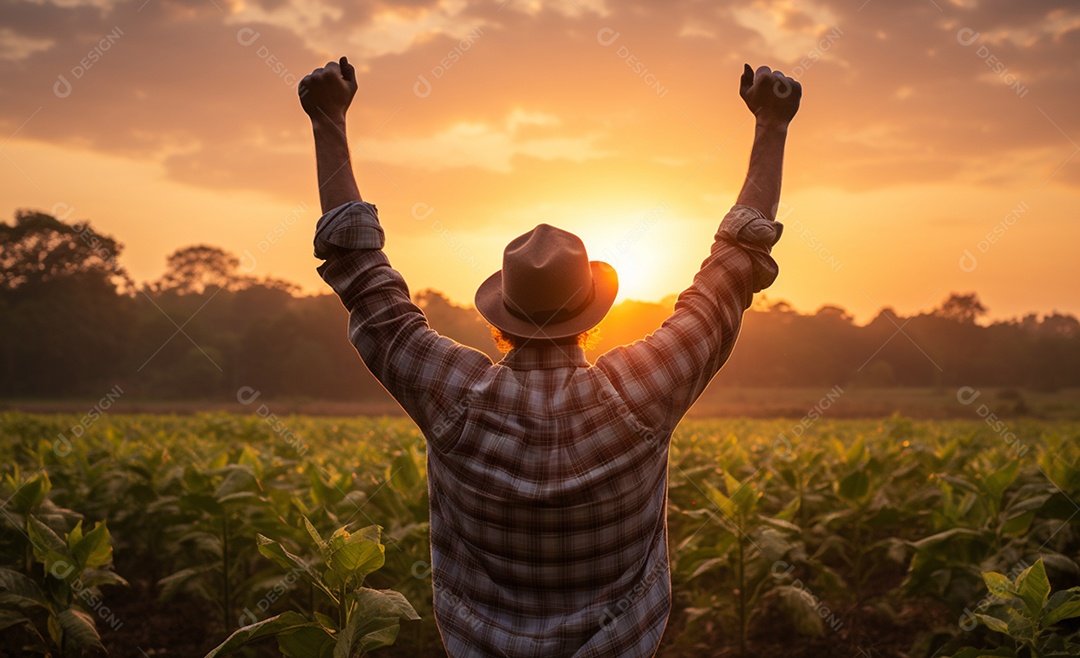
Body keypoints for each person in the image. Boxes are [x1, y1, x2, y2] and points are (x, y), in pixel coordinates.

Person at [299, 56, 800, 658]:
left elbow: (363, 276)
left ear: (501, 320)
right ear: (590, 316)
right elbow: (731, 270)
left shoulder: (453, 396)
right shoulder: (640, 393)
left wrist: (328, 119)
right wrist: (772, 126)